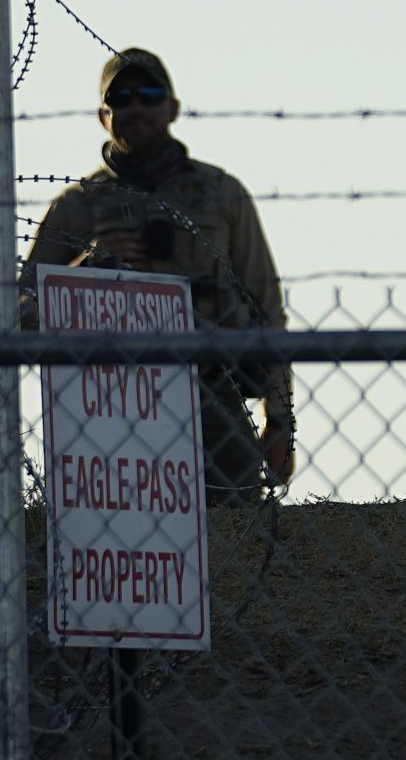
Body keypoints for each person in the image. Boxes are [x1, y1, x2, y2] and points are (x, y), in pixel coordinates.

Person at [21, 48, 293, 508]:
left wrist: (279, 419)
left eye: (149, 94)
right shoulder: (76, 205)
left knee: (235, 525)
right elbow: (20, 312)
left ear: (173, 108)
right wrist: (87, 267)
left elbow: (267, 310)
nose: (136, 107)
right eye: (121, 97)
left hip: (211, 386)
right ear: (103, 115)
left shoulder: (221, 194)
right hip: (107, 401)